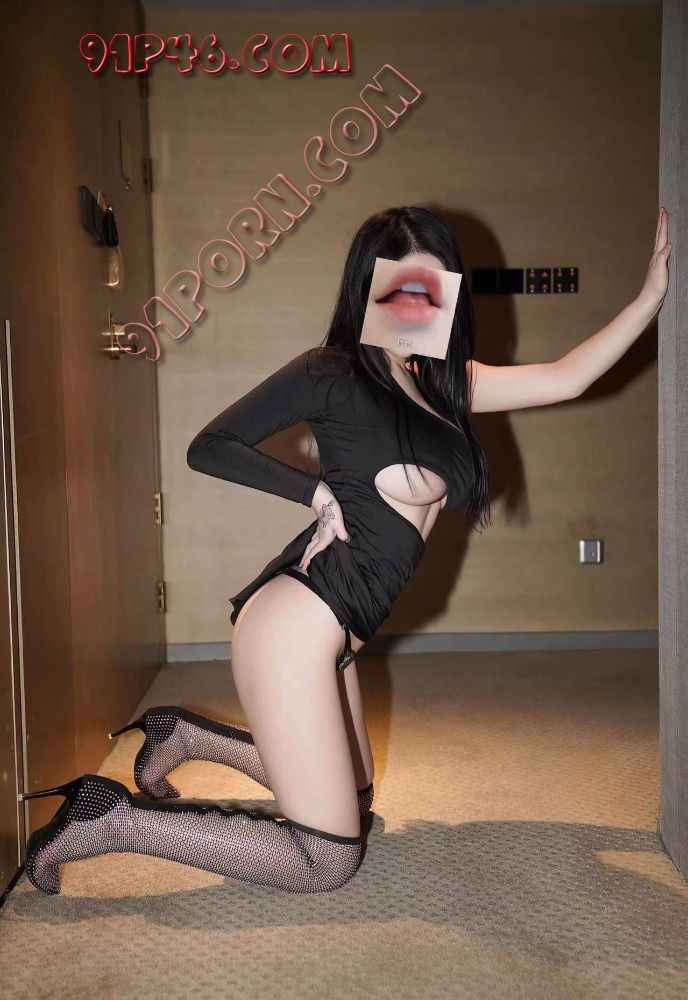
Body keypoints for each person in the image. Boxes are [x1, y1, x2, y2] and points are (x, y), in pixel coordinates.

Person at [19, 205, 670, 896]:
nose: (418, 306)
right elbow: (209, 447)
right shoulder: (332, 372)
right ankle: (108, 820)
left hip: (341, 628)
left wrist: (650, 297)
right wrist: (315, 493)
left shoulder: (444, 385)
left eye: (433, 287)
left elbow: (568, 376)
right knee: (326, 859)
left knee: (354, 802)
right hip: (294, 629)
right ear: (369, 288)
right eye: (402, 287)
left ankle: (184, 737)